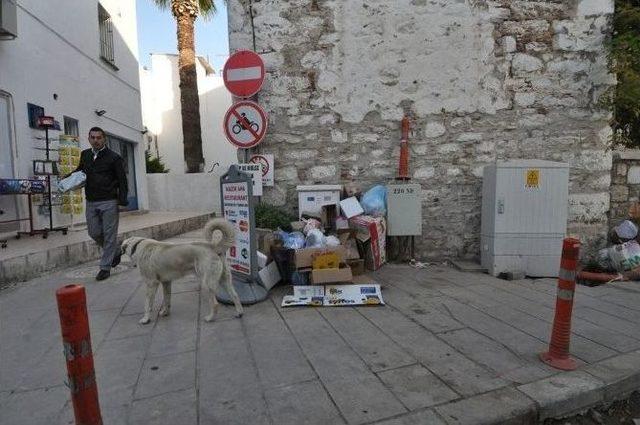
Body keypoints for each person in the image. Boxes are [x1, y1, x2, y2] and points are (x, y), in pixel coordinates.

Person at [72, 127, 128, 280]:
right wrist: (67, 180)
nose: (96, 140)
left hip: (109, 201)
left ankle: (105, 267)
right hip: (91, 201)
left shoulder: (114, 158)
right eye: (93, 137)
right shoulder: (85, 155)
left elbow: (122, 180)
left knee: (109, 234)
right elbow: (80, 172)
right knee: (94, 232)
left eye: (99, 137)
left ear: (104, 139)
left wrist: (122, 200)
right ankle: (116, 251)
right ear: (89, 139)